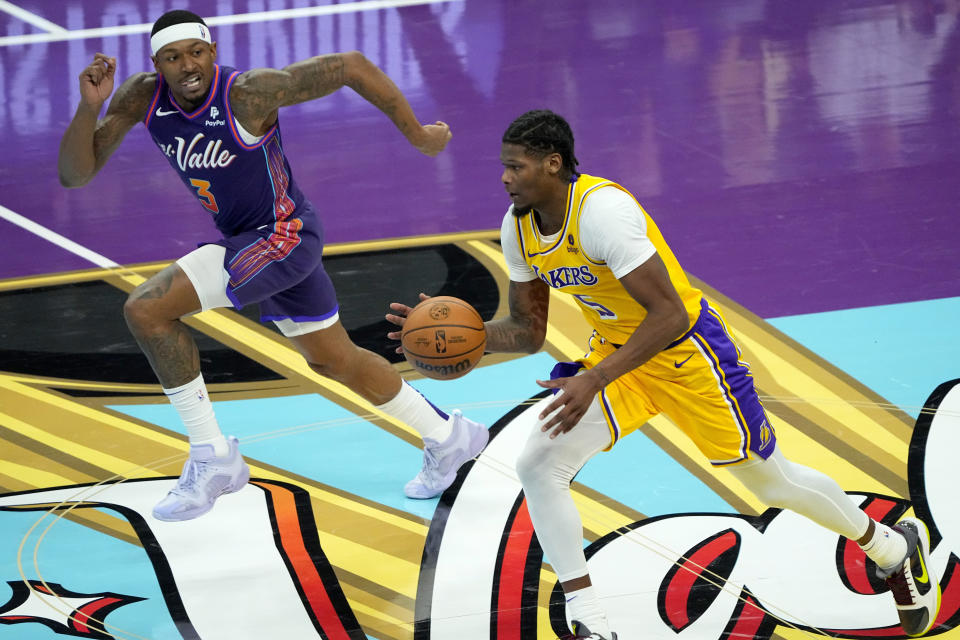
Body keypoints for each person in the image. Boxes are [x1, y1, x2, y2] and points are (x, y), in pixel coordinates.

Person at [387, 110, 941, 640]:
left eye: (517, 166)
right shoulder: (519, 226)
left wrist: (595, 377)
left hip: (687, 355)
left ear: (553, 163)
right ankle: (591, 616)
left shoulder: (602, 212)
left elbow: (671, 314)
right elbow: (528, 330)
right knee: (538, 463)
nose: (505, 179)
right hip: (617, 359)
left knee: (769, 483)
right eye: (503, 168)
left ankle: (891, 548)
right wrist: (460, 337)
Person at [57, 10, 488, 521]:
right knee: (335, 360)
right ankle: (448, 436)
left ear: (212, 52)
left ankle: (213, 456)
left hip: (284, 236)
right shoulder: (141, 96)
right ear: (158, 64)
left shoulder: (248, 94)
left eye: (196, 52)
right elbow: (74, 175)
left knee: (147, 310)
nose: (187, 65)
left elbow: (349, 64)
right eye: (173, 58)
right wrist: (91, 108)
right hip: (249, 239)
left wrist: (416, 133)